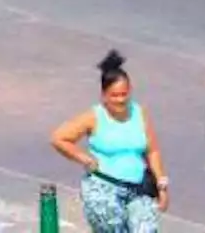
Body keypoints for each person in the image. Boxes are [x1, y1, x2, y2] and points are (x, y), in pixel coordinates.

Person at [50, 50, 168, 233]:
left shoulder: (139, 113)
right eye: (115, 96)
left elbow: (152, 151)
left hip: (138, 188)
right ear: (104, 95)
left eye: (124, 94)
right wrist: (84, 159)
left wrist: (162, 184)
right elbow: (59, 138)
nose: (121, 100)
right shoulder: (93, 116)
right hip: (104, 188)